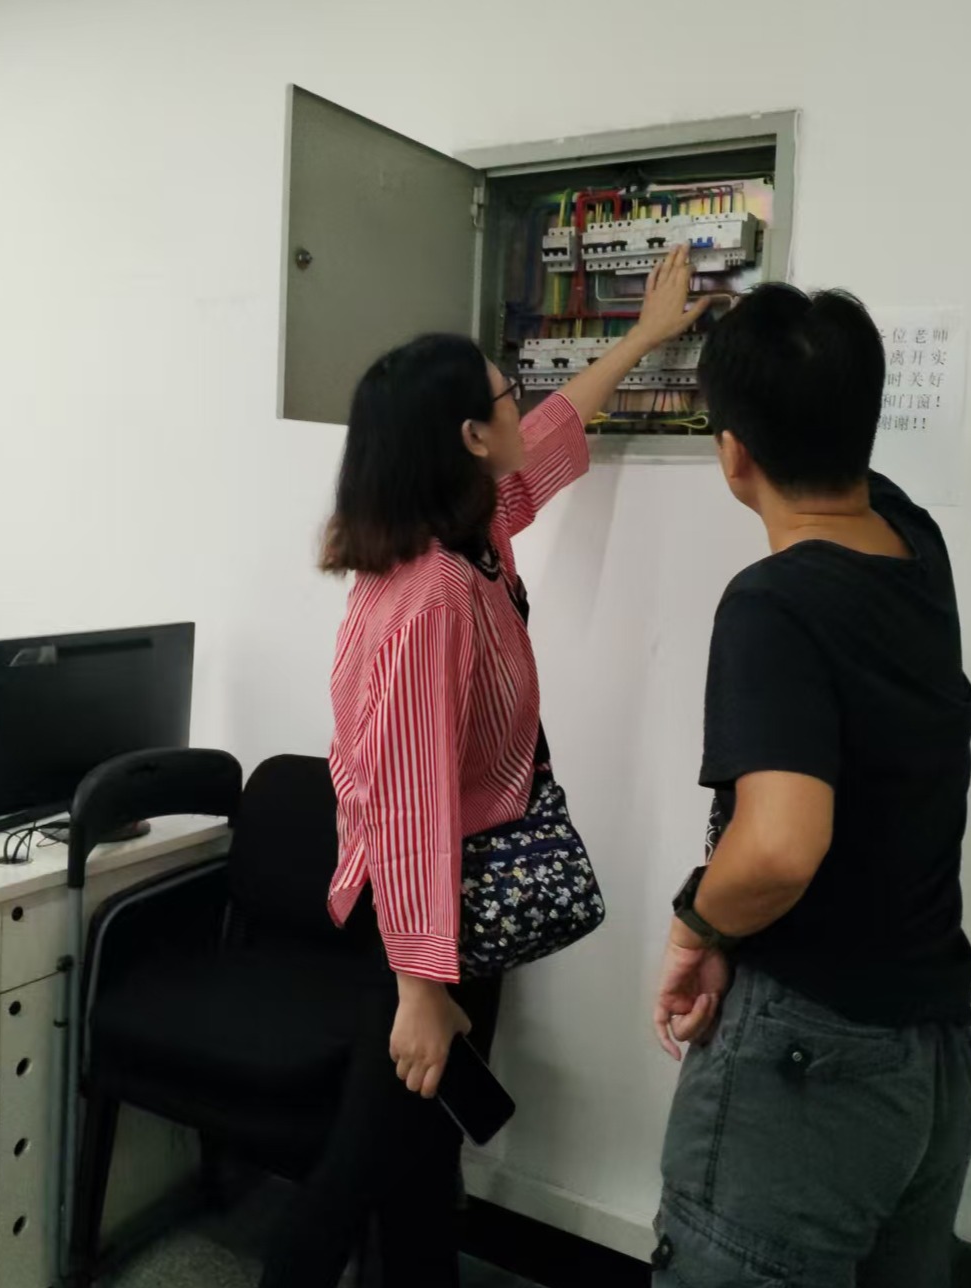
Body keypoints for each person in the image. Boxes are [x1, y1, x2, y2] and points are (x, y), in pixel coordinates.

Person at [275, 247, 714, 1288]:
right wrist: (423, 986)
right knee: (360, 1164)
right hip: (420, 918)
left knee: (422, 1158)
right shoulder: (432, 594)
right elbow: (410, 805)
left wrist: (643, 339)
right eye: (505, 394)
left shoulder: (466, 534)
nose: (523, 402)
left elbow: (553, 435)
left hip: (457, 901)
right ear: (471, 437)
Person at [651, 284, 971, 1288]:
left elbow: (780, 847)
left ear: (733, 455)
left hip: (808, 1064)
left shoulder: (774, 604)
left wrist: (694, 928)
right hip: (930, 1055)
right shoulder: (913, 542)